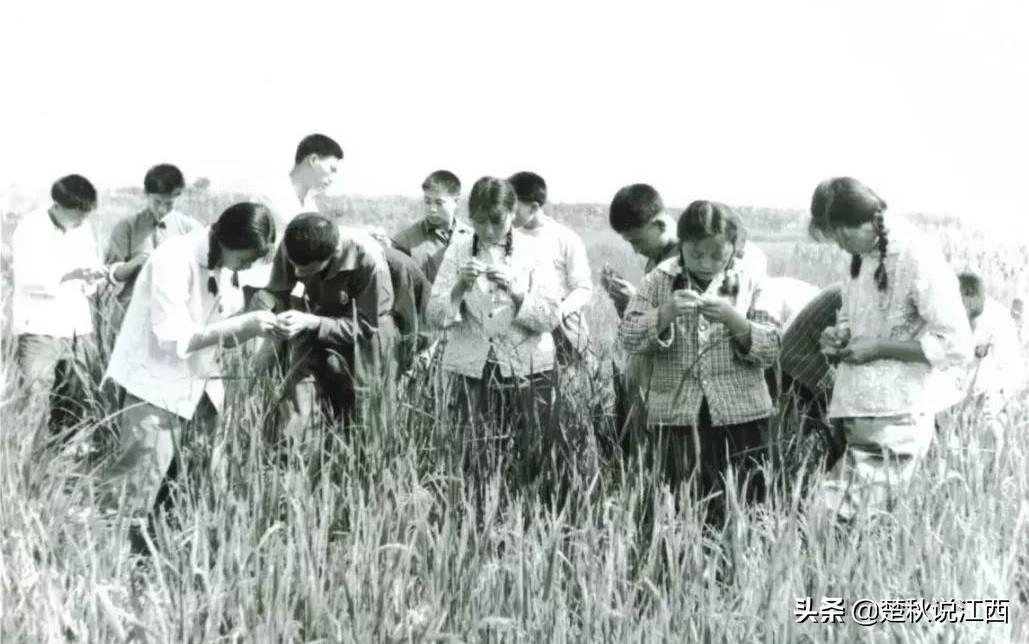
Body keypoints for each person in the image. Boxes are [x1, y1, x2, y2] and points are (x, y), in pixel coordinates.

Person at [101, 203, 278, 550]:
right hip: (155, 388)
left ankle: (169, 562)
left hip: (200, 389)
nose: (246, 267)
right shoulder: (173, 258)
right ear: (225, 240)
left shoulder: (225, 264)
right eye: (244, 259)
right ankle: (112, 570)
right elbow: (175, 337)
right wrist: (243, 324)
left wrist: (259, 324)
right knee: (135, 489)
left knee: (195, 486)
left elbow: (220, 334)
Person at [809, 177, 972, 524]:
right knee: (850, 527)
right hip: (854, 409)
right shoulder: (858, 257)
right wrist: (838, 337)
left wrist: (880, 347)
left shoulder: (917, 255)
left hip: (898, 416)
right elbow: (856, 320)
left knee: (831, 520)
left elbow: (957, 343)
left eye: (842, 234)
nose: (839, 244)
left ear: (868, 220)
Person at [618, 200, 780, 524]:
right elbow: (629, 337)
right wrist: (665, 314)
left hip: (743, 418)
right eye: (695, 254)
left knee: (747, 507)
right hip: (678, 419)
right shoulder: (658, 281)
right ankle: (687, 568)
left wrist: (736, 321)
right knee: (684, 508)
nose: (706, 264)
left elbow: (771, 349)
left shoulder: (752, 279)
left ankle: (743, 568)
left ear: (733, 249)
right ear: (681, 248)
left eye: (717, 255)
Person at [426, 176, 562, 492]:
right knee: (474, 453)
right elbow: (434, 316)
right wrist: (459, 287)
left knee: (532, 451)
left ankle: (531, 512)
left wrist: (517, 292)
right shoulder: (459, 250)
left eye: (496, 221)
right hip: (471, 371)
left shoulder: (535, 250)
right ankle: (476, 515)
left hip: (527, 370)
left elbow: (551, 316)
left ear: (513, 212)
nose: (487, 231)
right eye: (480, 222)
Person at [250, 213, 396, 430]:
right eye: (294, 265)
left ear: (334, 255)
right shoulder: (292, 243)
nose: (298, 273)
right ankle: (298, 459)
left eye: (307, 270)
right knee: (300, 410)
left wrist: (314, 322)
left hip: (363, 336)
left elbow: (366, 324)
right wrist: (274, 317)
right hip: (306, 322)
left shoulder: (368, 259)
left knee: (363, 416)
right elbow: (280, 291)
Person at [11, 174, 110, 440]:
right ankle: (30, 463)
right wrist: (69, 275)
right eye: (77, 214)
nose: (81, 220)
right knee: (36, 397)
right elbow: (27, 278)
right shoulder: (30, 227)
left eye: (85, 214)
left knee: (76, 397)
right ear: (58, 205)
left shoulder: (84, 230)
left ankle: (66, 457)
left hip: (77, 327)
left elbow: (91, 268)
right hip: (39, 328)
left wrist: (91, 277)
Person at [601, 184, 680, 444]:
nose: (635, 250)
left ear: (659, 225)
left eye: (637, 241)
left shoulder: (688, 257)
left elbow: (682, 319)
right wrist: (626, 302)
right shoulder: (657, 257)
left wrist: (635, 299)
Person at [103, 164, 202, 337]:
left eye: (169, 203)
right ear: (146, 195)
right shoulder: (127, 227)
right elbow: (112, 276)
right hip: (131, 316)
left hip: (174, 318)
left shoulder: (191, 229)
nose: (162, 209)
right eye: (157, 202)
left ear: (180, 197)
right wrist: (138, 261)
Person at [508, 171, 593, 368]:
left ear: (534, 206)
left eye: (513, 207)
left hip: (564, 324)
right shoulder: (509, 238)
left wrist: (558, 312)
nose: (509, 213)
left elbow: (583, 287)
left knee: (571, 381)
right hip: (525, 320)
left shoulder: (565, 237)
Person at [954, 272, 1023, 430]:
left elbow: (1010, 370)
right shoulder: (943, 311)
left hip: (987, 396)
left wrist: (991, 405)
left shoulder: (999, 320)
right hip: (954, 395)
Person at [392, 170, 473, 284]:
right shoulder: (405, 240)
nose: (432, 209)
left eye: (439, 203)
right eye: (427, 201)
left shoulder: (472, 237)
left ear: (456, 201)